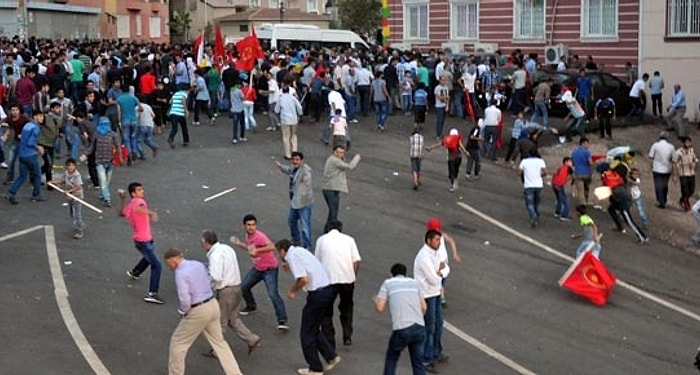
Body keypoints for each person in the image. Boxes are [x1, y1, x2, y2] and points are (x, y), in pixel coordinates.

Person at [163, 249, 244, 375]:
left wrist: (183, 312)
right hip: (212, 304)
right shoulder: (197, 264)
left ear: (172, 260)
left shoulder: (180, 273)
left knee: (178, 343)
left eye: (168, 263)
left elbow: (185, 299)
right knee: (219, 342)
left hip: (198, 310)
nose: (169, 266)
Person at [276, 239, 342, 375]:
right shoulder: (300, 251)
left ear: (282, 251)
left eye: (279, 253)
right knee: (313, 327)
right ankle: (331, 356)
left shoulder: (292, 256)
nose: (279, 256)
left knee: (306, 332)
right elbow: (307, 266)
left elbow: (303, 279)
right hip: (327, 290)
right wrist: (289, 266)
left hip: (316, 295)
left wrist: (293, 291)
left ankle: (315, 368)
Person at [200, 230, 261, 357]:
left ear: (206, 243)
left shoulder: (215, 255)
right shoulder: (226, 248)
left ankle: (217, 350)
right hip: (237, 288)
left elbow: (216, 276)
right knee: (233, 319)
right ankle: (251, 339)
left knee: (220, 322)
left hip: (226, 291)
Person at [231, 214, 289, 330]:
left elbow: (272, 246)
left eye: (253, 225)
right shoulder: (248, 236)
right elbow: (250, 248)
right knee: (244, 287)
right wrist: (239, 244)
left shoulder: (260, 236)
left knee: (273, 294)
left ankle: (282, 319)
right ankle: (251, 306)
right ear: (244, 226)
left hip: (270, 269)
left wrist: (257, 250)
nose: (251, 227)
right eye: (248, 225)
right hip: (258, 268)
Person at [315, 220, 361, 348]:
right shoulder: (349, 240)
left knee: (326, 311)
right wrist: (353, 275)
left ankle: (330, 340)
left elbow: (317, 261)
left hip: (328, 281)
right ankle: (347, 335)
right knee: (346, 307)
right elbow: (356, 261)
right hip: (347, 279)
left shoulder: (321, 240)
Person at [374, 262, 427, 375]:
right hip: (419, 327)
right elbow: (424, 307)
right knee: (418, 363)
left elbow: (380, 308)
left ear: (391, 274)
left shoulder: (388, 283)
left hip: (402, 328)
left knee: (391, 358)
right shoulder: (414, 283)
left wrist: (376, 300)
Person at [119, 182, 164, 304]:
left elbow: (121, 213)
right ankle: (152, 293)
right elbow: (139, 208)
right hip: (144, 240)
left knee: (148, 257)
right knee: (157, 265)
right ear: (133, 194)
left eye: (142, 189)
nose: (142, 191)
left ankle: (135, 272)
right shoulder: (139, 202)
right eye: (139, 190)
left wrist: (122, 199)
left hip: (141, 239)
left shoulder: (131, 203)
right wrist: (152, 213)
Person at [413, 230, 449, 373]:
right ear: (428, 240)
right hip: (426, 295)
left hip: (435, 293)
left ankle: (436, 352)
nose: (439, 242)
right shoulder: (423, 257)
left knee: (439, 324)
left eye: (439, 240)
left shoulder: (437, 252)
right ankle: (426, 358)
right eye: (436, 240)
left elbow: (446, 268)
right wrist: (440, 273)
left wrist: (440, 272)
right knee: (429, 327)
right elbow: (434, 278)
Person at [276, 152, 315, 249]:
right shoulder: (293, 168)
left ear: (302, 160)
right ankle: (296, 239)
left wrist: (305, 180)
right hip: (295, 202)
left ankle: (307, 245)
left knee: (305, 225)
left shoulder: (305, 171)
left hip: (304, 203)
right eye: (293, 159)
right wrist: (280, 166)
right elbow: (288, 170)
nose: (295, 161)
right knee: (291, 221)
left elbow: (307, 177)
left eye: (297, 159)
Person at [5, 109, 44, 204]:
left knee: (22, 176)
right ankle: (36, 195)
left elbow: (21, 137)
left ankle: (11, 193)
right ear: (35, 117)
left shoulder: (27, 125)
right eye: (40, 116)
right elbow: (30, 142)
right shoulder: (36, 128)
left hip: (22, 154)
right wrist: (38, 147)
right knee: (37, 175)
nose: (42, 118)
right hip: (30, 155)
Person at [321, 145, 361, 233]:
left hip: (332, 188)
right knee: (334, 211)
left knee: (333, 211)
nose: (341, 154)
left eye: (343, 152)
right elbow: (350, 166)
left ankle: (327, 228)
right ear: (334, 152)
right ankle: (331, 230)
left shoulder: (335, 159)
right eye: (339, 152)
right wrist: (357, 158)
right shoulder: (334, 160)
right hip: (330, 189)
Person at [83, 117, 121, 207]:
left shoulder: (113, 135)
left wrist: (120, 157)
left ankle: (102, 194)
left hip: (110, 162)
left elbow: (118, 146)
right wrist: (85, 154)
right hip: (99, 162)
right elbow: (92, 147)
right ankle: (107, 199)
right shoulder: (96, 134)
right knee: (103, 181)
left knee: (106, 182)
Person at [424, 218, 461, 307]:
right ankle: (442, 298)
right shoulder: (442, 235)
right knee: (440, 280)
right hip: (444, 262)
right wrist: (455, 254)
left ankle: (439, 298)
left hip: (437, 263)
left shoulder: (428, 239)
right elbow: (452, 241)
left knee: (437, 280)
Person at [49, 158, 84, 239]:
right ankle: (81, 224)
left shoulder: (77, 175)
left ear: (75, 166)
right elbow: (62, 181)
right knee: (72, 214)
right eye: (69, 165)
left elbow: (79, 186)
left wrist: (69, 191)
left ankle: (79, 230)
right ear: (66, 166)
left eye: (72, 165)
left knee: (76, 214)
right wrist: (53, 182)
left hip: (77, 197)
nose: (70, 167)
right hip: (70, 197)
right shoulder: (66, 174)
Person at [519, 149, 548, 228]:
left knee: (529, 203)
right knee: (537, 202)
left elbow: (519, 172)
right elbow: (545, 172)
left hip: (528, 185)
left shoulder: (524, 161)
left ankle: (533, 215)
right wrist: (540, 175)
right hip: (539, 184)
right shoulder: (540, 161)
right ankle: (537, 216)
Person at [648, 131, 675, 208]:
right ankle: (664, 199)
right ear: (667, 138)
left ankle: (661, 201)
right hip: (667, 169)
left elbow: (651, 156)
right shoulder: (671, 147)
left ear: (660, 137)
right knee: (665, 185)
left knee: (658, 185)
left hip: (657, 168)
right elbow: (673, 159)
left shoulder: (655, 145)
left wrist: (651, 166)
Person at [116, 86, 142, 165]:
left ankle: (129, 153)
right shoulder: (133, 98)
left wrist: (119, 121)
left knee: (126, 138)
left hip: (125, 120)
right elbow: (140, 108)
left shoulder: (119, 99)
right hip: (133, 119)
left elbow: (119, 111)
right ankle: (134, 151)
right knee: (133, 136)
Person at [276, 87, 303, 159]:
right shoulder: (293, 98)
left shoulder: (280, 99)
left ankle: (288, 154)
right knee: (293, 135)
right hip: (294, 119)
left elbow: (277, 110)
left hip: (284, 119)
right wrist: (300, 114)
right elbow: (299, 107)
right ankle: (294, 151)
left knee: (286, 136)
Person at [672, 136, 696, 212]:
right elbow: (674, 163)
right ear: (683, 143)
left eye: (690, 142)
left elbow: (694, 159)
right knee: (685, 191)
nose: (689, 144)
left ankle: (682, 199)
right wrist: (674, 175)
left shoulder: (691, 151)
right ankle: (687, 206)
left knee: (691, 191)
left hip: (691, 173)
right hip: (683, 174)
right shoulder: (678, 152)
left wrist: (693, 164)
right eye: (687, 142)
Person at [571, 138, 593, 206]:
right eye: (587, 143)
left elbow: (573, 163)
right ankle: (586, 201)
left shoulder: (574, 152)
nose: (588, 145)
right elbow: (590, 163)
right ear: (583, 143)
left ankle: (582, 205)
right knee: (586, 188)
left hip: (578, 173)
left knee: (580, 191)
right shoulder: (587, 152)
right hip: (587, 173)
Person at [167, 83, 190, 148]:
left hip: (173, 113)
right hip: (180, 113)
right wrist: (186, 110)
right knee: (184, 127)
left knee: (174, 128)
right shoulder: (184, 94)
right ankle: (186, 141)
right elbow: (183, 100)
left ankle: (170, 138)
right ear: (187, 90)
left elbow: (170, 102)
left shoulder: (175, 94)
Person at [552, 157, 574, 221]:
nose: (572, 163)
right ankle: (564, 215)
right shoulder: (567, 168)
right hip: (559, 185)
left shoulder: (560, 168)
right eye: (570, 162)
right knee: (565, 201)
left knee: (559, 199)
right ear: (566, 162)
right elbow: (572, 176)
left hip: (554, 184)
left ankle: (557, 212)